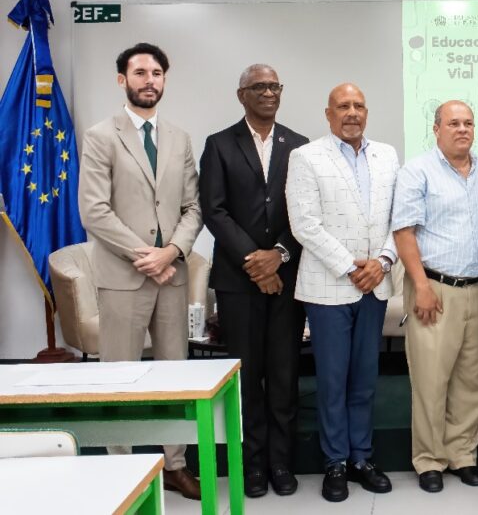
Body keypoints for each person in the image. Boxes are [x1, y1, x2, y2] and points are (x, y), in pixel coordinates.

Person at [78, 42, 204, 500]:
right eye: (139, 73)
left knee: (175, 373)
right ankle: (122, 468)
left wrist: (170, 252)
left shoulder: (179, 138)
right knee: (120, 375)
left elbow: (193, 207)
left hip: (170, 276)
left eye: (156, 73)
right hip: (124, 277)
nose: (149, 80)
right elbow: (94, 210)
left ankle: (175, 464)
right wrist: (146, 255)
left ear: (165, 80)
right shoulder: (100, 136)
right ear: (122, 80)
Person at [198, 64, 308, 498]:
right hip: (238, 281)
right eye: (259, 86)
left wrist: (277, 257)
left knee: (284, 374)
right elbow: (214, 210)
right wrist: (255, 261)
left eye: (274, 86)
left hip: (286, 277)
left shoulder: (298, 146)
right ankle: (252, 464)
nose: (268, 92)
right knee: (246, 376)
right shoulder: (220, 144)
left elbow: (304, 212)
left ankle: (281, 463)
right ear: (241, 94)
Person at [285, 83, 397, 502]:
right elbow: (304, 224)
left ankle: (361, 458)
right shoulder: (306, 156)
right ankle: (334, 461)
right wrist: (352, 266)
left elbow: (397, 217)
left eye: (358, 105)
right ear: (328, 114)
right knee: (333, 380)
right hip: (329, 285)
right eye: (343, 106)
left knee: (364, 380)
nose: (352, 112)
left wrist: (383, 261)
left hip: (375, 283)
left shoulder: (386, 154)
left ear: (367, 112)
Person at [391, 100, 478, 493]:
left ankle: (463, 455)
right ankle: (429, 460)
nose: (462, 129)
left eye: (468, 123)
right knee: (431, 379)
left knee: (473, 379)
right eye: (453, 123)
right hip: (433, 288)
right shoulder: (417, 171)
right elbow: (403, 232)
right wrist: (420, 285)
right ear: (436, 129)